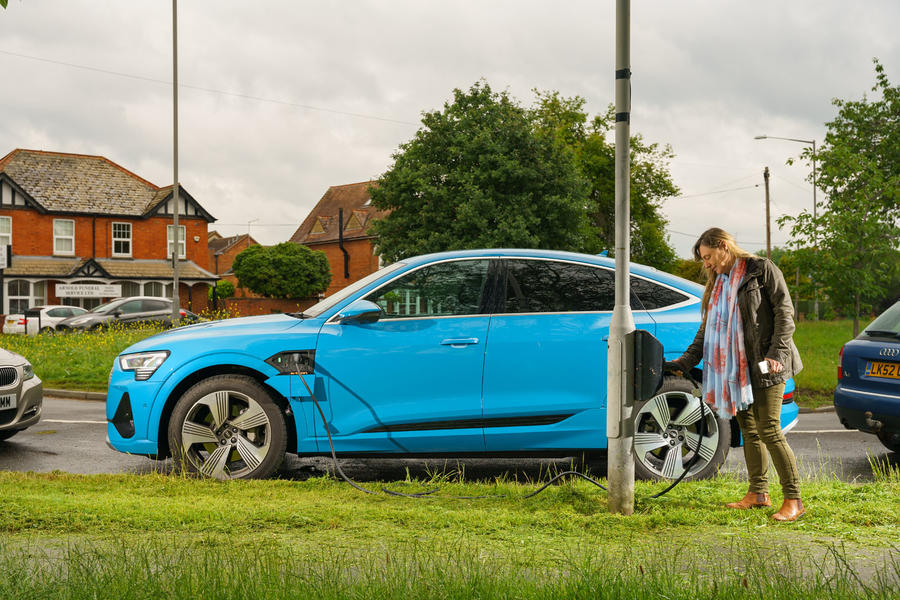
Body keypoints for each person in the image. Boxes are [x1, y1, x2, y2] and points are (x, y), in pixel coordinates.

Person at [667, 227, 805, 521]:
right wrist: (687, 361)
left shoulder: (761, 270)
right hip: (736, 372)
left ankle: (793, 500)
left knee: (769, 429)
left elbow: (784, 312)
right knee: (751, 430)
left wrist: (777, 354)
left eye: (708, 256)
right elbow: (707, 329)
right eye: (703, 259)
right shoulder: (718, 283)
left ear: (723, 246)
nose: (706, 264)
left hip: (768, 363)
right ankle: (758, 493)